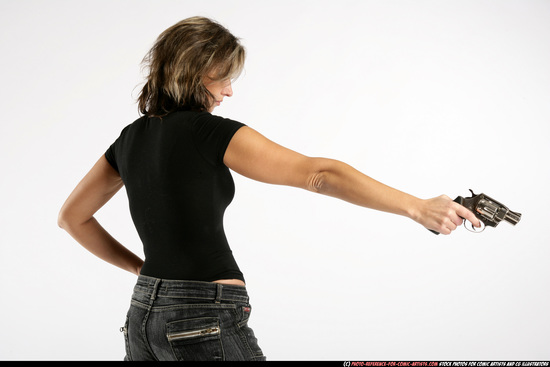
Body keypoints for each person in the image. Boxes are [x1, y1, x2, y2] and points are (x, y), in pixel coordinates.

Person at [57, 16, 480, 361]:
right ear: (196, 68)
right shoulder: (207, 132)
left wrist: (143, 272)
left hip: (142, 318)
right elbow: (321, 175)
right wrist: (418, 207)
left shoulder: (130, 138)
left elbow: (71, 217)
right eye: (223, 76)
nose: (229, 89)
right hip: (203, 318)